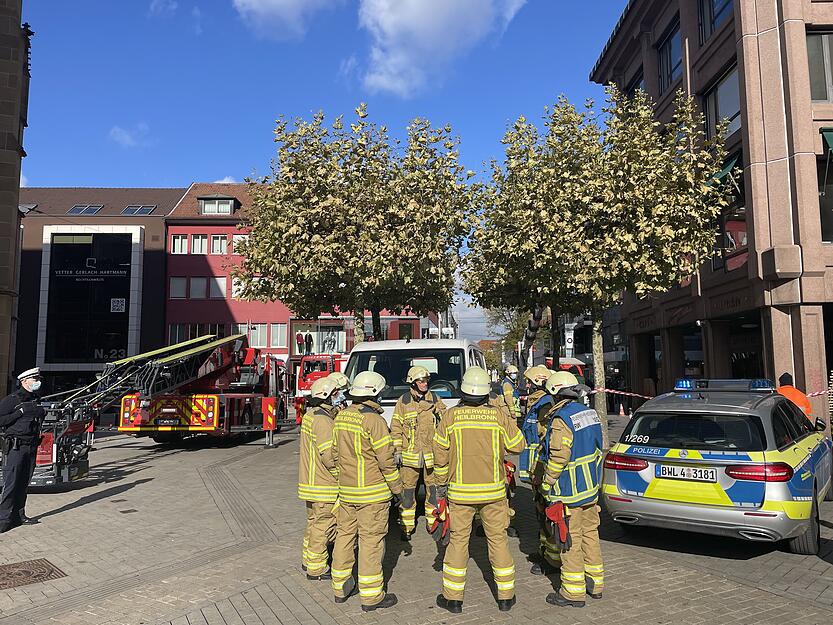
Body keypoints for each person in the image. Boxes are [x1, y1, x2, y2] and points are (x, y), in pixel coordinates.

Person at [433, 367, 525, 614]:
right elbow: (518, 445)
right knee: (498, 541)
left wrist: (441, 485)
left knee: (458, 543)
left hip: (460, 494)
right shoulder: (497, 417)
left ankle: (453, 599)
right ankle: (506, 597)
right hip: (493, 493)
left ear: (463, 391)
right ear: (486, 393)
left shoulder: (450, 417)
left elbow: (439, 456)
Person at [330, 371, 403, 612]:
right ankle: (371, 597)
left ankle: (340, 587)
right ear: (373, 393)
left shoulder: (341, 417)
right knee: (371, 542)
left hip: (347, 492)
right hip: (372, 494)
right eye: (380, 393)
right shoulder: (374, 421)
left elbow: (334, 454)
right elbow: (386, 461)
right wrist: (398, 490)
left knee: (345, 536)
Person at [537, 371, 604, 608]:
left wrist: (546, 484)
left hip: (568, 492)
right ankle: (595, 584)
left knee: (569, 540)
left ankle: (573, 593)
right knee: (590, 535)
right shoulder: (590, 413)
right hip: (590, 489)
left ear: (556, 394)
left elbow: (558, 457)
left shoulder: (561, 419)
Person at [391, 365, 446, 540]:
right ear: (413, 382)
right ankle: (406, 527)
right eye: (421, 381)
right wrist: (397, 451)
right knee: (407, 493)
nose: (425, 383)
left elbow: (446, 422)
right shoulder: (404, 401)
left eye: (426, 380)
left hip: (431, 456)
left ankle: (433, 523)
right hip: (409, 458)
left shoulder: (435, 399)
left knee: (433, 490)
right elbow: (396, 427)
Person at [298, 377, 340, 580]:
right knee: (323, 527)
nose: (338, 396)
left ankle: (308, 561)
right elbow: (329, 457)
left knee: (313, 524)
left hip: (310, 482)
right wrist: (343, 476)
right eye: (335, 394)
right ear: (326, 396)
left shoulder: (311, 415)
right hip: (324, 485)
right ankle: (317, 569)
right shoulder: (323, 421)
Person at [0, 368, 45, 533]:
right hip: (15, 447)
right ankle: (3, 520)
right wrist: (18, 414)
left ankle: (19, 516)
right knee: (11, 484)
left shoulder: (35, 399)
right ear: (24, 381)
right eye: (34, 378)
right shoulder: (12, 400)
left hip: (31, 446)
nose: (37, 381)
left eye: (38, 378)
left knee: (23, 484)